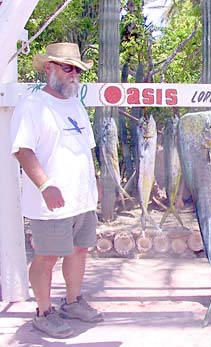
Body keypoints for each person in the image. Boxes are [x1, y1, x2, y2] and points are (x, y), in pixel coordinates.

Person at [11, 42, 103, 338]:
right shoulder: (32, 105)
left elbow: (87, 148)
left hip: (81, 199)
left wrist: (95, 183)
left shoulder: (75, 103)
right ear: (48, 68)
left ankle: (73, 302)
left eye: (77, 69)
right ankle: (43, 311)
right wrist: (46, 185)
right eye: (68, 68)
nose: (74, 74)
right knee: (47, 257)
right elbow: (23, 150)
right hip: (49, 202)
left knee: (79, 250)